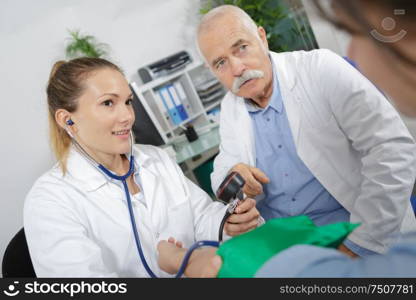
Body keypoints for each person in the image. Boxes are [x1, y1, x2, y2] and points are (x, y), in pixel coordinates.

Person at [158, 0, 416, 278]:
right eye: (221, 63)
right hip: (284, 246)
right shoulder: (231, 108)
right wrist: (234, 175)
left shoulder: (320, 69)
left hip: (356, 231)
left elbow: (390, 148)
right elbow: (223, 170)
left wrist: (358, 245)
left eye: (241, 47)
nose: (236, 68)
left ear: (261, 36)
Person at [23, 57, 261, 277]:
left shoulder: (156, 159)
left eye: (128, 101)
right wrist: (182, 261)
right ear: (67, 120)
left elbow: (201, 217)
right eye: (108, 103)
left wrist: (228, 223)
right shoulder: (49, 201)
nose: (127, 115)